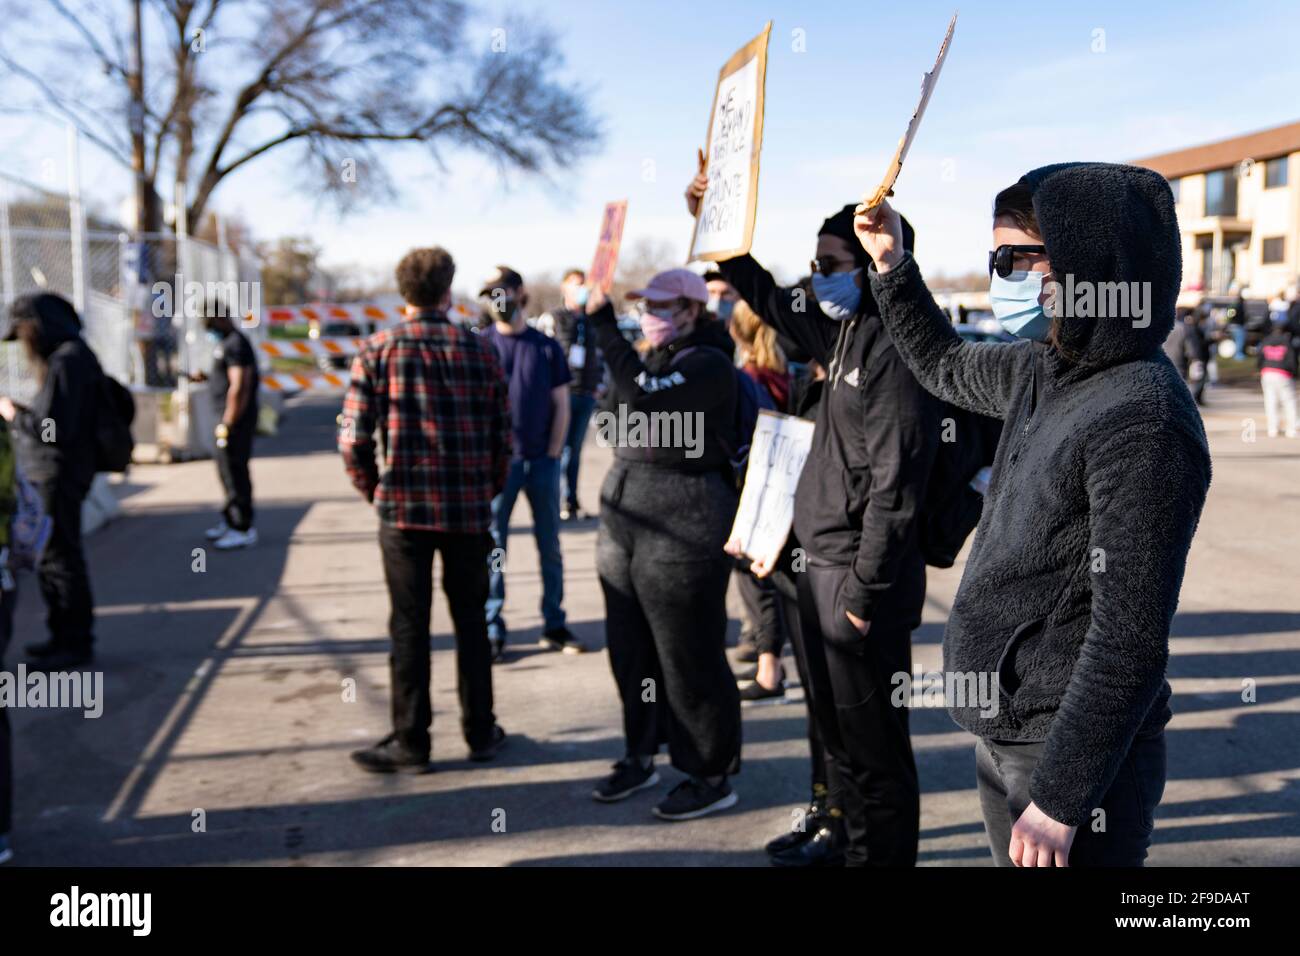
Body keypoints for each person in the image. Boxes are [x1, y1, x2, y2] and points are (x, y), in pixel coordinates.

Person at [855, 162, 1213, 866]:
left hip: (1068, 761)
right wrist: (893, 265)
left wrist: (1062, 798)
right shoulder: (1042, 366)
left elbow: (1129, 636)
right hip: (1007, 733)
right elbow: (945, 365)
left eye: (1014, 258)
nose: (1000, 275)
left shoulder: (1143, 417)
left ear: (1089, 264)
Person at [689, 169, 939, 867]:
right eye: (815, 264)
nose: (816, 277)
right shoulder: (843, 333)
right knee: (836, 737)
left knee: (876, 753)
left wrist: (863, 595)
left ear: (873, 264)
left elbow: (897, 488)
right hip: (816, 568)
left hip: (859, 586)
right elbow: (766, 295)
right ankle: (841, 839)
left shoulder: (900, 349)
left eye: (829, 265)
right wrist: (720, 226)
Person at [340, 247, 511, 772]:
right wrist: (484, 490)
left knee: (409, 628)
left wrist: (376, 491)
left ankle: (412, 742)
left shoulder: (377, 350)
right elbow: (503, 438)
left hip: (404, 514)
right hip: (466, 513)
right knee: (471, 626)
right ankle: (480, 732)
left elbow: (352, 441)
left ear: (403, 293)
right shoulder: (480, 350)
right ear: (448, 290)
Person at [585, 269, 743, 820]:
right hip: (624, 521)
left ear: (691, 310)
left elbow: (646, 406)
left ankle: (709, 771)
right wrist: (637, 409)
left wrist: (605, 330)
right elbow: (609, 420)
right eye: (643, 304)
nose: (648, 313)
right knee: (630, 651)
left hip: (685, 525)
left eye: (660, 304)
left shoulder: (708, 363)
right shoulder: (648, 362)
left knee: (688, 656)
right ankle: (639, 753)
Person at [479, 266, 584, 661]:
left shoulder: (545, 347)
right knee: (494, 548)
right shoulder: (482, 345)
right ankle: (493, 627)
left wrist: (554, 452)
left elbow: (561, 404)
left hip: (541, 462)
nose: (498, 300)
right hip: (498, 467)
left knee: (549, 547)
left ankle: (554, 623)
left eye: (503, 291)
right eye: (490, 294)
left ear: (519, 293)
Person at [0, 294, 100, 672]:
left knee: (61, 559)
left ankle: (73, 642)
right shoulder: (73, 357)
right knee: (56, 559)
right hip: (61, 472)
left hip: (58, 474)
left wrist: (12, 414)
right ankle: (64, 635)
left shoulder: (67, 361)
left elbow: (54, 428)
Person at [728, 300, 792, 703]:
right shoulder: (783, 372)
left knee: (757, 582)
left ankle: (770, 672)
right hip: (781, 486)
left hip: (757, 491)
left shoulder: (749, 378)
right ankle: (771, 661)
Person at [189, 301, 260, 550]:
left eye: (208, 323)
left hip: (234, 422)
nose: (207, 328)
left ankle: (242, 527)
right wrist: (207, 378)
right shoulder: (227, 344)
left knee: (234, 472)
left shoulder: (236, 344)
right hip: (227, 419)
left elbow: (240, 386)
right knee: (226, 471)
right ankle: (231, 520)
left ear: (219, 319)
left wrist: (228, 424)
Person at [544, 269, 603, 521]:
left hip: (586, 392)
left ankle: (572, 502)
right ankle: (554, 502)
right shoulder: (554, 318)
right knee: (559, 449)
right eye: (576, 285)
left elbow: (600, 356)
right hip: (562, 394)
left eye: (584, 285)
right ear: (564, 288)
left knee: (575, 450)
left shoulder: (591, 321)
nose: (581, 289)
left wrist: (599, 384)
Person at [1258, 314, 1299, 438]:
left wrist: (1261, 368)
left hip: (1267, 372)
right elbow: (1292, 361)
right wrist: (1294, 374)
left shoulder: (1266, 341)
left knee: (1270, 401)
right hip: (1283, 373)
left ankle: (1273, 429)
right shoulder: (1287, 342)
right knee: (1289, 401)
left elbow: (1260, 358)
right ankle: (1291, 429)